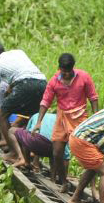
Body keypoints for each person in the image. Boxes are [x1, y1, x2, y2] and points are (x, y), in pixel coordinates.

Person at [34, 53, 98, 187]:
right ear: (59, 68)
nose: (67, 75)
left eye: (69, 72)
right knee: (57, 152)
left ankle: (91, 187)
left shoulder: (84, 77)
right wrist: (39, 121)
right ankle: (63, 181)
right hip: (62, 117)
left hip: (79, 116)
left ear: (73, 68)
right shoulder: (54, 81)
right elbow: (45, 101)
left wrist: (96, 116)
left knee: (87, 152)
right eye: (64, 72)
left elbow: (93, 97)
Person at [0, 42, 47, 164]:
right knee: (30, 117)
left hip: (25, 84)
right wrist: (12, 86)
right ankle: (29, 155)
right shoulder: (18, 52)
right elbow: (23, 71)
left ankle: (15, 153)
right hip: (43, 83)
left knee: (2, 115)